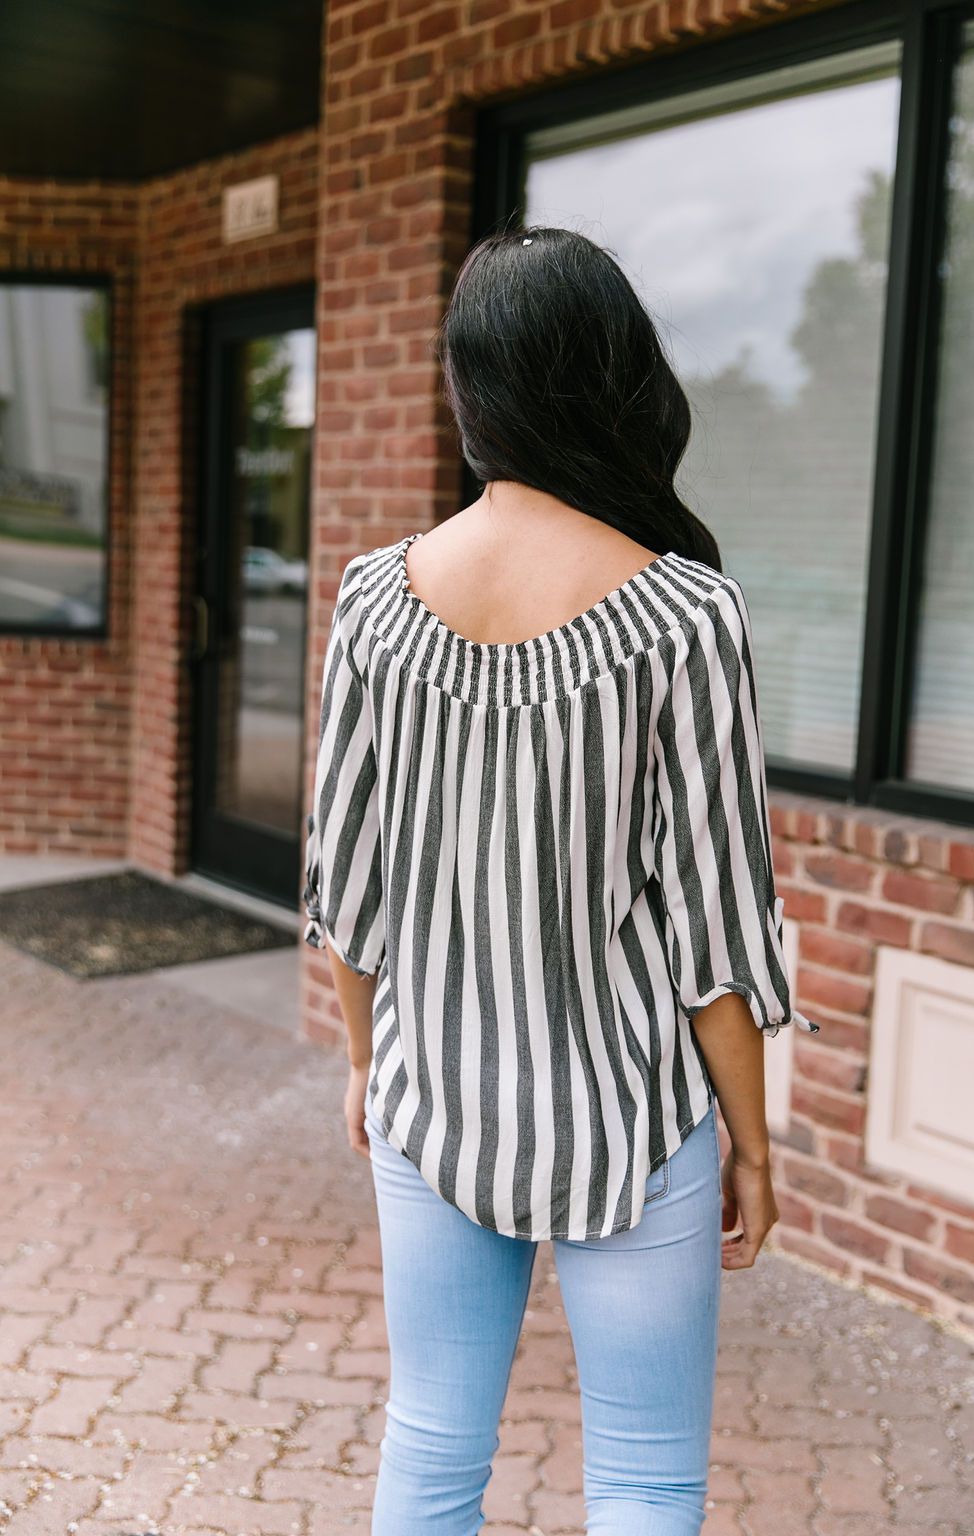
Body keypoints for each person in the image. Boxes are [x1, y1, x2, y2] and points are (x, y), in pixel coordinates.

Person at [303, 224, 820, 1536]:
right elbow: (718, 931)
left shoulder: (373, 601)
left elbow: (349, 888)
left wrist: (365, 1063)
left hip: (431, 1099)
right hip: (631, 1118)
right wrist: (755, 1147)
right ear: (615, 377)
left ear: (469, 387)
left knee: (431, 1451)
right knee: (645, 1480)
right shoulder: (685, 617)